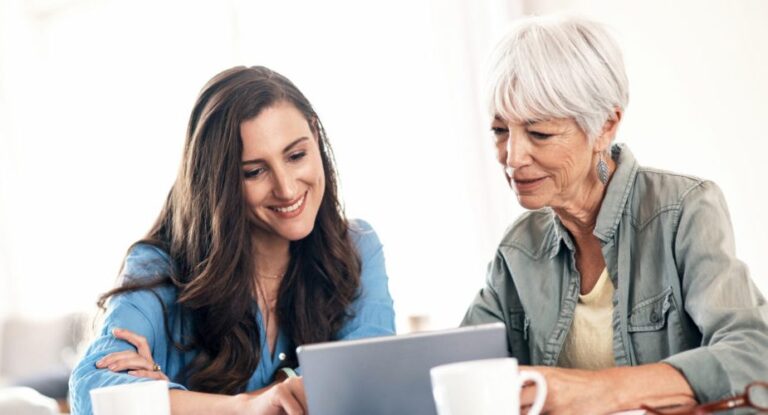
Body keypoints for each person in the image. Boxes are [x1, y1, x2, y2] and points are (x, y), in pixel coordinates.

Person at [462, 15, 768, 414]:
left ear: (605, 126)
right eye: (500, 131)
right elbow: (461, 371)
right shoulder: (519, 248)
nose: (513, 158)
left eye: (539, 133)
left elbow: (753, 354)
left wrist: (589, 391)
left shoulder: (683, 210)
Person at [69, 66, 396, 415]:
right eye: (254, 172)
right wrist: (245, 408)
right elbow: (93, 392)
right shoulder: (158, 266)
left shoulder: (357, 248)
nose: (286, 189)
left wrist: (171, 402)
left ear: (315, 134)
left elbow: (366, 381)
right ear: (219, 181)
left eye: (296, 156)